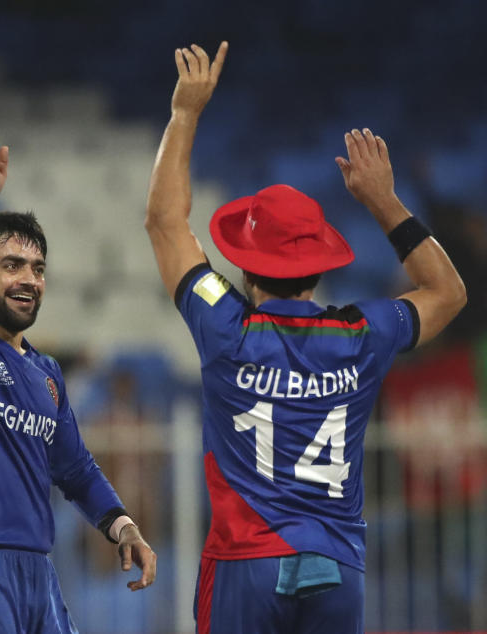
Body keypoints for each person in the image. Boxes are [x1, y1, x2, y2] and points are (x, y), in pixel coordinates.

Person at [144, 41, 466, 632]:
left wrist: (185, 113)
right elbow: (448, 294)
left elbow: (165, 222)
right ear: (318, 266)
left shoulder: (223, 325)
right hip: (336, 568)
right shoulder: (362, 333)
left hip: (247, 565)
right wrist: (384, 201)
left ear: (243, 266)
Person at [0, 120, 157, 634]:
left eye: (38, 269)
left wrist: (122, 524)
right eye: (12, 265)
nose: (29, 280)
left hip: (37, 569)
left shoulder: (46, 372)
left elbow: (76, 468)